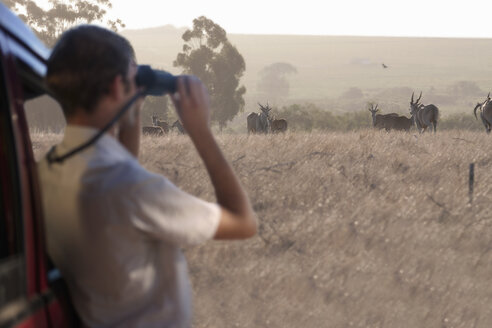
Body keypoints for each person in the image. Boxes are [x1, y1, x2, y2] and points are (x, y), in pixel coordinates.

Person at [38, 25, 257, 327]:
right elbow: (242, 222)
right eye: (132, 76)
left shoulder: (45, 172)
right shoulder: (133, 189)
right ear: (117, 87)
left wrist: (133, 113)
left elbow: (118, 184)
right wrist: (200, 131)